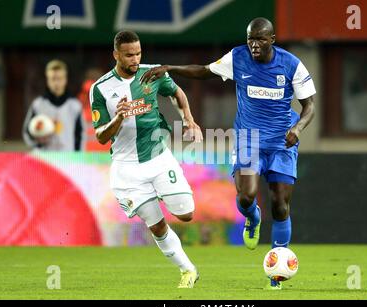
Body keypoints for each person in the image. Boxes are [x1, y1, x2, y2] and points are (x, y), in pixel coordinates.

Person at [141, 17, 316, 290]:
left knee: (280, 204)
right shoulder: (238, 57)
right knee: (245, 197)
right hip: (248, 138)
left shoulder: (291, 64)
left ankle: (276, 273)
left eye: (260, 39)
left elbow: (310, 106)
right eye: (250, 39)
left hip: (282, 140)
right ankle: (252, 217)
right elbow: (204, 70)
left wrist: (299, 128)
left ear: (272, 39)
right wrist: (170, 68)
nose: (254, 45)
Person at [89, 30, 203, 288]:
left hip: (158, 157)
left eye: (138, 53)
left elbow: (177, 93)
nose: (135, 59)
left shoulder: (152, 73)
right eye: (129, 55)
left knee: (186, 214)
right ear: (116, 54)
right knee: (157, 225)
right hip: (126, 169)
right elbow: (99, 136)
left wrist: (188, 119)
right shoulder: (101, 88)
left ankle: (163, 191)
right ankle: (188, 270)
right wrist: (117, 119)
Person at [23, 59, 85, 151]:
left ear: (65, 79)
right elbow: (27, 132)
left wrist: (78, 158)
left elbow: (80, 135)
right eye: (53, 79)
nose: (56, 83)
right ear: (47, 80)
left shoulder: (75, 106)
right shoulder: (38, 104)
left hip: (67, 160)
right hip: (43, 158)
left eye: (59, 78)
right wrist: (37, 142)